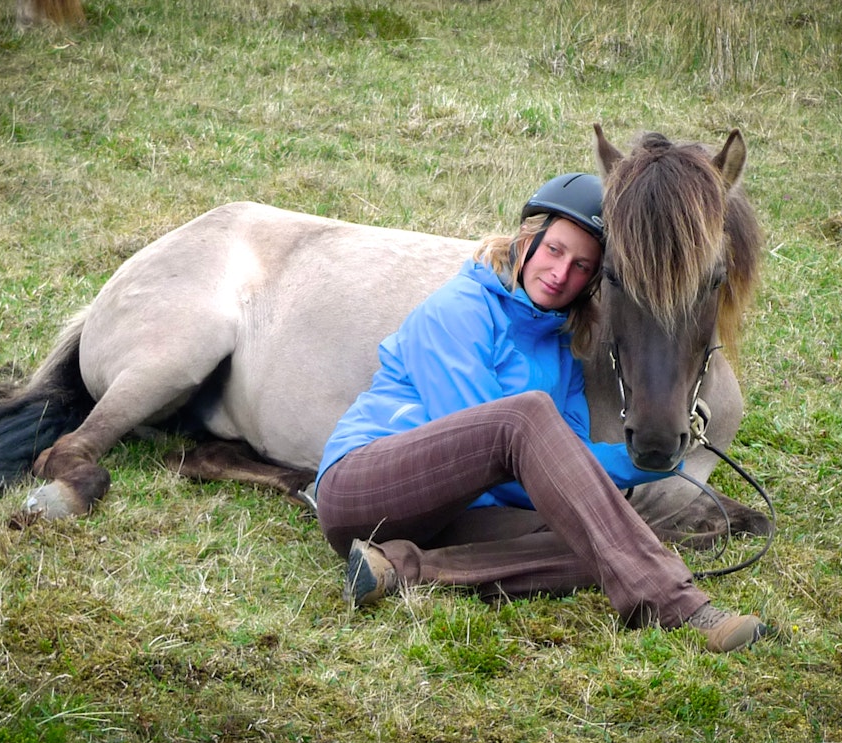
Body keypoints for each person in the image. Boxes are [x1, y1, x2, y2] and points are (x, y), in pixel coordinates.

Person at [313, 173, 767, 653]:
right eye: (554, 250)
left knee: (597, 542)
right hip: (364, 486)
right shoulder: (459, 307)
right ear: (528, 239)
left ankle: (400, 568)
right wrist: (579, 489)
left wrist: (647, 462)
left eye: (581, 266)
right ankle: (683, 608)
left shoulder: (560, 350)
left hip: (454, 516)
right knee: (525, 422)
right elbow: (488, 443)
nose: (560, 272)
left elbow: (566, 453)